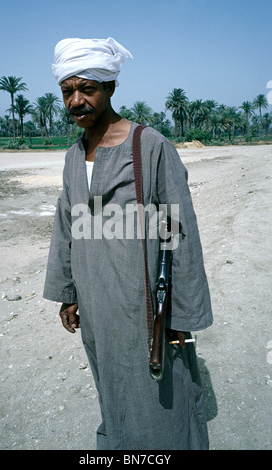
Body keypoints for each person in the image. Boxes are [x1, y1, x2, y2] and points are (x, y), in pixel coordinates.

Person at [43, 37, 213, 450]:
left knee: (158, 396)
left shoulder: (148, 146)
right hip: (95, 302)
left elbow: (177, 230)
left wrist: (181, 311)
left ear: (110, 88)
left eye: (87, 89)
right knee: (112, 388)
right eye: (68, 91)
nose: (76, 100)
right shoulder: (72, 155)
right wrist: (67, 293)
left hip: (142, 304)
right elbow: (69, 224)